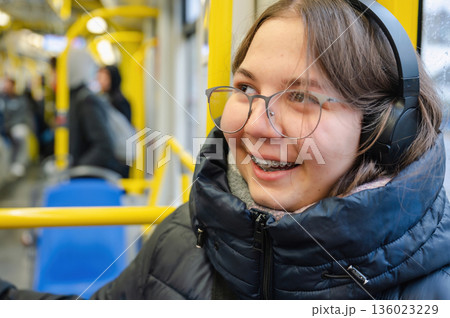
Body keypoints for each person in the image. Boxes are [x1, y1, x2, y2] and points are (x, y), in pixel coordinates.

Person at [1, 0, 450, 299]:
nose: (255, 124)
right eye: (245, 88)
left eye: (302, 97)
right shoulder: (187, 233)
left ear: (389, 131)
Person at [66, 49, 129, 177]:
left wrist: (78, 171)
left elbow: (104, 145)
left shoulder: (88, 101)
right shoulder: (93, 98)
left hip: (100, 174)